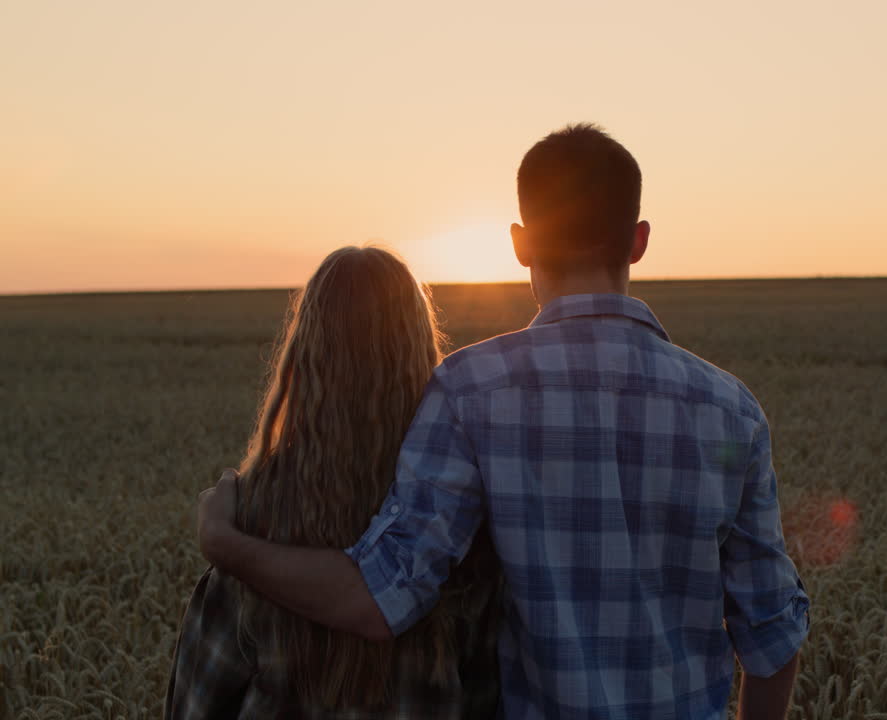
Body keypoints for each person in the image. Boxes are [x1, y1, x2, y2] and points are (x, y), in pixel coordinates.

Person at [195, 123, 809, 720]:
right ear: (639, 240)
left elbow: (383, 598)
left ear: (520, 242)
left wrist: (231, 547)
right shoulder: (733, 411)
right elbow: (773, 634)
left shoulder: (471, 391)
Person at [168, 247, 503, 719]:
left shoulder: (247, 515)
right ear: (419, 351)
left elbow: (198, 701)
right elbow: (487, 695)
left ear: (305, 354)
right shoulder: (455, 512)